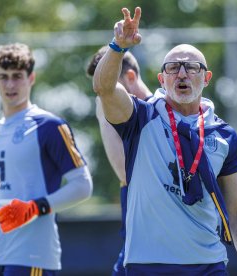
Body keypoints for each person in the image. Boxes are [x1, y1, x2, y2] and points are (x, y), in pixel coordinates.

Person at [93, 7, 237, 276]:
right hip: (147, 266)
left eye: (192, 67)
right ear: (161, 79)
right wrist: (118, 46)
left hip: (209, 265)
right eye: (172, 68)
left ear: (206, 78)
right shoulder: (141, 117)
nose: (182, 73)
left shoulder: (222, 134)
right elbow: (104, 89)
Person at [0, 43, 93, 275]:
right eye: (3, 77)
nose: (10, 84)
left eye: (17, 76)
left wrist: (35, 207)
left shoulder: (48, 126)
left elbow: (83, 185)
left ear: (31, 78)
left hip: (31, 255)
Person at [87, 46, 152, 276]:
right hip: (136, 243)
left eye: (109, 88)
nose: (104, 97)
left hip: (161, 248)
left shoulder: (161, 116)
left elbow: (127, 171)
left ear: (130, 77)